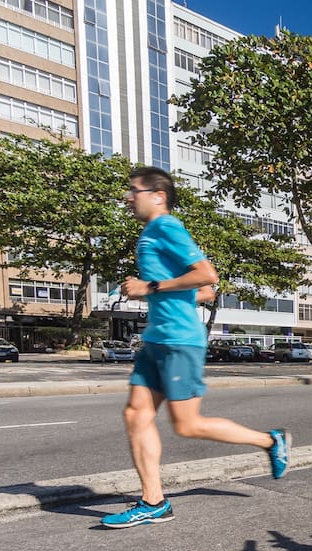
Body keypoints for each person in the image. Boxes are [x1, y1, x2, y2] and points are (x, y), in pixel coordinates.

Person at [101, 166, 291, 529]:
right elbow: (204, 293)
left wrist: (148, 287)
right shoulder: (152, 232)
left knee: (187, 425)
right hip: (157, 339)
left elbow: (207, 276)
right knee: (135, 415)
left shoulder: (166, 226)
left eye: (133, 191)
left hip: (178, 341)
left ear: (157, 195)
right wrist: (160, 288)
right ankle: (153, 501)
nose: (128, 197)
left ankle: (270, 440)